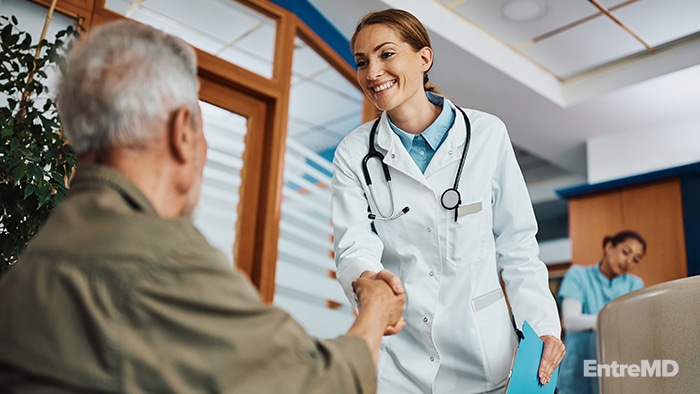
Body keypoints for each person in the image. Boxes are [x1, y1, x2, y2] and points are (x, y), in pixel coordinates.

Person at [0, 20, 407, 393]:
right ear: (182, 132)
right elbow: (323, 385)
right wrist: (374, 308)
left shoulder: (39, 256)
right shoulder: (160, 259)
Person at [331, 8, 565, 394]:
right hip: (399, 364)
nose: (372, 73)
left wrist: (541, 328)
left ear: (424, 58)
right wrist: (368, 281)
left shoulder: (487, 134)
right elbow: (354, 245)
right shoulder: (355, 152)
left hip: (483, 355)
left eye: (386, 54)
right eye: (362, 61)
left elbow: (517, 244)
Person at [556, 230, 646, 394]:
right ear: (609, 246)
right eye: (625, 252)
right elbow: (570, 321)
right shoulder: (578, 275)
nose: (628, 261)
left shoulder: (635, 284)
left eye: (636, 259)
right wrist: (614, 321)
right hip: (577, 369)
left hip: (616, 369)